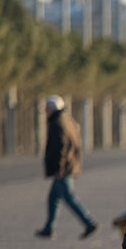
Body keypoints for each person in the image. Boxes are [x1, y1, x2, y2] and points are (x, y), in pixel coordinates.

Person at [36, 95, 97, 239]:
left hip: (63, 169)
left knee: (69, 197)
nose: (45, 111)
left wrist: (59, 169)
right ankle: (49, 228)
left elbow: (60, 148)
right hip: (69, 166)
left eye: (47, 108)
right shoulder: (68, 120)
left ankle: (89, 222)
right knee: (53, 198)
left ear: (53, 108)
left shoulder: (57, 123)